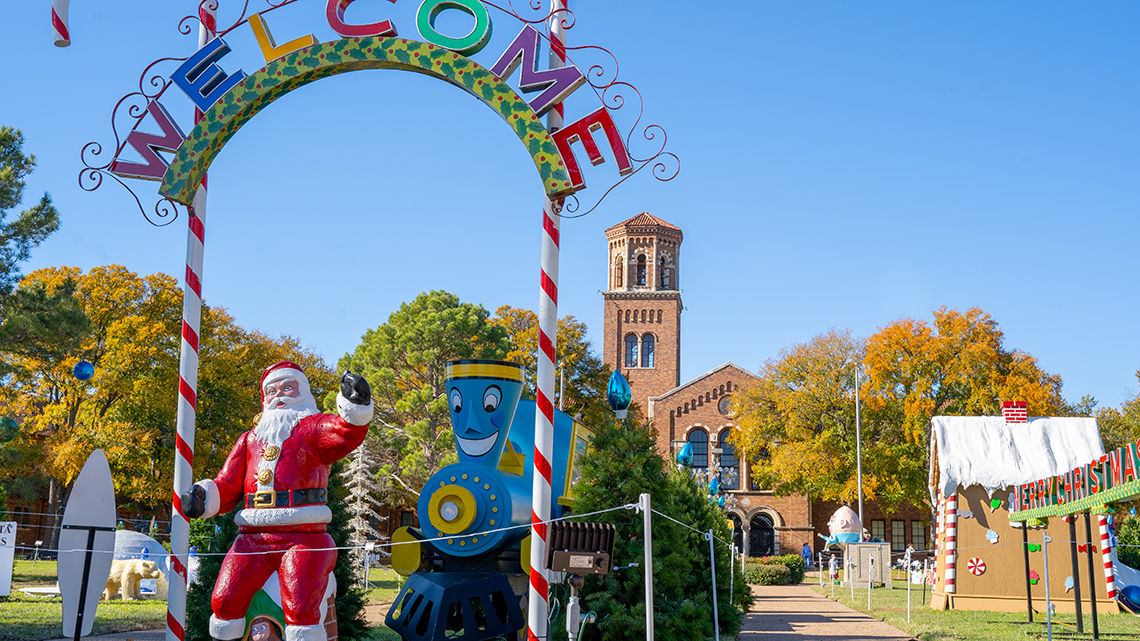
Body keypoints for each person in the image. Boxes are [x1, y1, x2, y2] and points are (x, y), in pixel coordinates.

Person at [181, 361, 373, 641]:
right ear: (264, 398)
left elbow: (344, 433)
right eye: (271, 391)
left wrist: (356, 402)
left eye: (287, 388)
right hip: (252, 537)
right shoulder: (249, 440)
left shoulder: (314, 429)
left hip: (303, 535)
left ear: (302, 393)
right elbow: (227, 484)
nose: (279, 395)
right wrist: (202, 498)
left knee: (302, 610)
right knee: (224, 600)